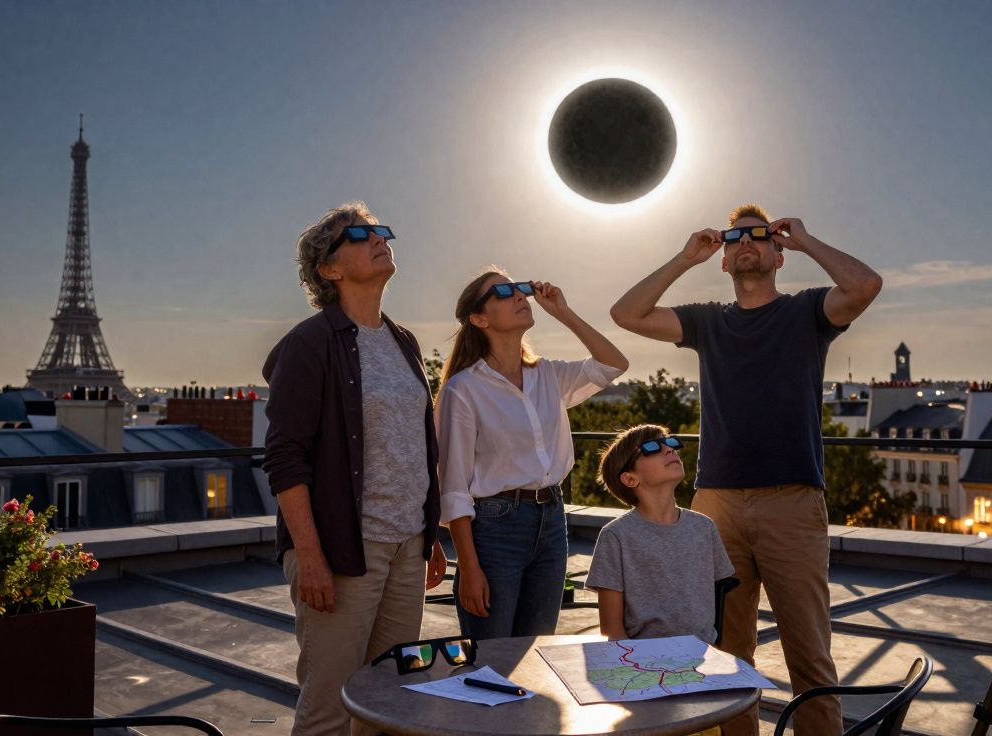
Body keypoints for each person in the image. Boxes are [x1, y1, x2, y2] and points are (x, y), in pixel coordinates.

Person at [610, 204, 882, 735]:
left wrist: (807, 238)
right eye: (735, 238)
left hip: (792, 502)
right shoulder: (708, 321)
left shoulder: (807, 311)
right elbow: (627, 313)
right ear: (724, 259)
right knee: (727, 657)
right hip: (716, 506)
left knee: (810, 659)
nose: (745, 244)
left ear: (779, 255)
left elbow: (865, 284)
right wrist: (684, 259)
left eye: (759, 237)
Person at [263, 201, 447, 736]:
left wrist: (427, 535)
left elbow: (415, 446)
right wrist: (311, 556)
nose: (378, 238)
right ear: (329, 269)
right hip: (344, 551)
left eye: (380, 231)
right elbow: (285, 457)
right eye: (360, 235)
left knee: (388, 704)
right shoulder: (310, 342)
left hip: (405, 548)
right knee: (329, 709)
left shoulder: (403, 341)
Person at [437, 269, 628, 640]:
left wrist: (564, 313)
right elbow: (454, 487)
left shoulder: (548, 375)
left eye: (520, 289)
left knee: (537, 652)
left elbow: (613, 364)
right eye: (504, 292)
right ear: (479, 318)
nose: (519, 296)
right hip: (494, 529)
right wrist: (469, 569)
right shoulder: (464, 390)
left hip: (552, 521)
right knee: (491, 660)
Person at [586, 424, 734, 644]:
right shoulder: (616, 536)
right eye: (652, 446)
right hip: (644, 662)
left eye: (670, 442)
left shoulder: (704, 528)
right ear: (629, 479)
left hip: (703, 659)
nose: (669, 449)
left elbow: (719, 605)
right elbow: (612, 631)